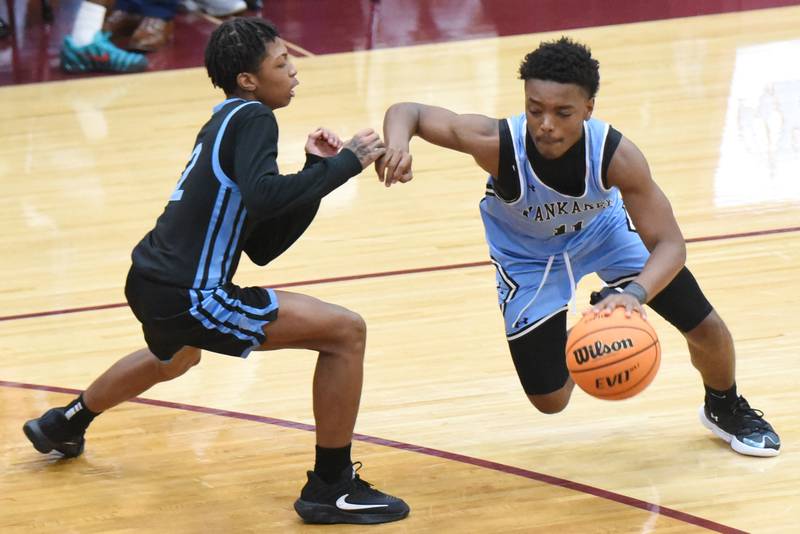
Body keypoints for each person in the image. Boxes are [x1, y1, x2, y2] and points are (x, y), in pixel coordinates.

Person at [24, 18, 409, 525]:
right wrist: (348, 164)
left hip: (151, 282)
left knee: (175, 358)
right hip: (190, 293)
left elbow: (265, 244)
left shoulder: (225, 121)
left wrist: (317, 169)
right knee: (345, 332)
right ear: (248, 79)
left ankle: (63, 423)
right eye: (281, 63)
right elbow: (265, 196)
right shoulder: (254, 118)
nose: (295, 70)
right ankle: (331, 486)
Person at [377, 37, 780, 457]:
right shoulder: (495, 143)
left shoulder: (616, 154)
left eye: (562, 112)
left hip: (603, 236)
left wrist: (635, 293)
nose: (545, 123)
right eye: (535, 109)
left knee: (706, 327)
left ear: (588, 109)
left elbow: (671, 245)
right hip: (528, 257)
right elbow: (410, 112)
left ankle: (725, 407)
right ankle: (595, 322)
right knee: (550, 399)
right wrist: (398, 143)